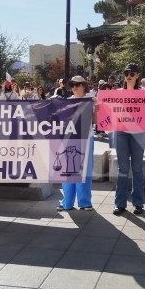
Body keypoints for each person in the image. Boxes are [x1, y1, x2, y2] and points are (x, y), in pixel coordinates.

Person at [112, 63, 145, 215]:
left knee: (137, 169)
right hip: (121, 131)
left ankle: (138, 203)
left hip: (138, 133)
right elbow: (110, 110)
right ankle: (119, 203)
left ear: (137, 75)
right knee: (122, 168)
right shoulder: (117, 93)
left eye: (132, 73)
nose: (129, 75)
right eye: (126, 72)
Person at [58, 76, 97, 211]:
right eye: (72, 84)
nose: (74, 86)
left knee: (85, 170)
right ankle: (67, 202)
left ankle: (84, 202)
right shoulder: (66, 102)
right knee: (69, 171)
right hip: (70, 138)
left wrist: (96, 108)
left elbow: (95, 121)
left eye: (78, 84)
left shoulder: (91, 100)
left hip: (87, 137)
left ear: (84, 86)